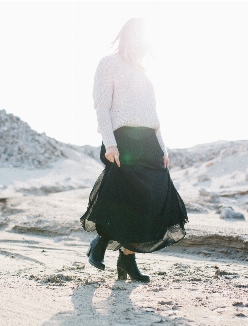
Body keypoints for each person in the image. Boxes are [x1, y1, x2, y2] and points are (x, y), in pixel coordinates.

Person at [80, 18, 188, 282]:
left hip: (149, 141)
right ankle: (102, 242)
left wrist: (163, 147)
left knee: (153, 200)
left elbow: (153, 115)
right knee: (123, 198)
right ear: (127, 38)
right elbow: (102, 106)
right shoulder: (108, 64)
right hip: (122, 139)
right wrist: (110, 143)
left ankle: (127, 258)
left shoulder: (143, 73)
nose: (141, 49)